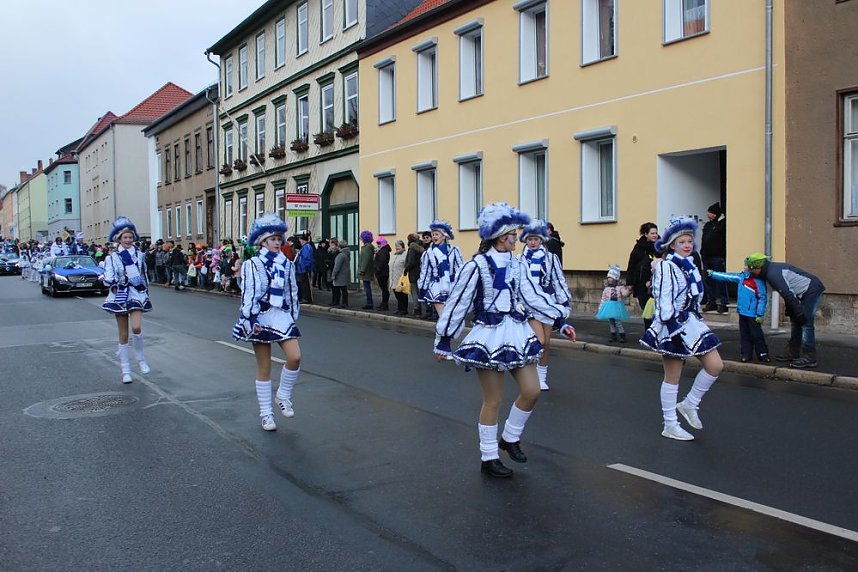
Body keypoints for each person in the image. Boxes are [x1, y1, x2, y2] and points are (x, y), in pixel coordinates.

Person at [434, 203, 576, 478]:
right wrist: (443, 340)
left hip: (517, 333)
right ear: (502, 236)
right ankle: (488, 457)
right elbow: (457, 304)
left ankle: (510, 438)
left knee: (532, 390)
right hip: (488, 336)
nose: (517, 238)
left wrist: (560, 321)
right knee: (493, 400)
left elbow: (532, 297)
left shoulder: (517, 264)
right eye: (514, 234)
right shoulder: (476, 266)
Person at [640, 218, 724, 442]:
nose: (687, 245)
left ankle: (689, 403)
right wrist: (670, 325)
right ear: (672, 246)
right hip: (673, 325)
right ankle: (670, 424)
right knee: (673, 376)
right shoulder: (667, 266)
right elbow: (663, 298)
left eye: (689, 241)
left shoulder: (690, 266)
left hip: (691, 322)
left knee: (715, 365)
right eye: (682, 242)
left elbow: (694, 297)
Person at [232, 213, 302, 432]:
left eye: (279, 239)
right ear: (262, 241)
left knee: (295, 356)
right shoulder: (252, 264)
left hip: (280, 315)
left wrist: (292, 314)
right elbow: (248, 293)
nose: (277, 242)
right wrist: (250, 317)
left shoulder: (287, 265)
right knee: (264, 367)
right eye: (273, 239)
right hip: (260, 315)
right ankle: (266, 415)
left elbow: (292, 292)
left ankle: (283, 395)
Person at [518, 219, 572, 390]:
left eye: (536, 239)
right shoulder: (519, 259)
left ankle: (541, 377)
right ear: (526, 240)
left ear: (541, 240)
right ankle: (529, 374)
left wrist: (564, 304)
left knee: (547, 342)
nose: (533, 242)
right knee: (539, 340)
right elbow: (514, 283)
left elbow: (559, 281)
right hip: (528, 304)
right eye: (530, 239)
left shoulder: (550, 259)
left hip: (547, 303)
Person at [749, 254, 825, 369]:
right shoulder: (771, 269)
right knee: (795, 322)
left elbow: (787, 293)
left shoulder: (772, 274)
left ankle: (810, 357)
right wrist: (792, 310)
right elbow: (787, 293)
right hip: (802, 291)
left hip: (811, 289)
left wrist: (799, 312)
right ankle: (794, 352)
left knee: (806, 322)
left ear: (757, 268)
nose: (751, 272)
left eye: (751, 269)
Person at [101, 216, 153, 384]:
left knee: (136, 327)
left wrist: (145, 291)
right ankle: (126, 370)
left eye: (130, 237)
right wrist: (109, 280)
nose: (128, 240)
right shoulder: (112, 258)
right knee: (123, 334)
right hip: (120, 294)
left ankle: (141, 358)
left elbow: (144, 275)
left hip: (136, 293)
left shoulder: (139, 255)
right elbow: (109, 277)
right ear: (119, 239)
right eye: (125, 237)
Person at [709, 256, 770, 363]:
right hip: (742, 312)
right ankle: (746, 354)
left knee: (756, 335)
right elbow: (727, 276)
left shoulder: (758, 281)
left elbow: (762, 298)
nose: (744, 267)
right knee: (744, 335)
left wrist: (760, 314)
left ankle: (763, 354)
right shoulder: (742, 277)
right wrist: (714, 274)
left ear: (752, 267)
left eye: (746, 265)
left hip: (753, 314)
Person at [418, 220, 463, 320]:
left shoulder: (454, 251)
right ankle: (442, 334)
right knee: (443, 318)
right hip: (437, 286)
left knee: (452, 318)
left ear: (444, 236)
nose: (434, 237)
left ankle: (448, 333)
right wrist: (423, 287)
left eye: (437, 234)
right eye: (433, 234)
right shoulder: (429, 253)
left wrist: (462, 285)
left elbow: (460, 269)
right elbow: (425, 271)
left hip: (452, 286)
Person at [626, 222, 659, 329]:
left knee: (657, 309)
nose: (655, 235)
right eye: (652, 233)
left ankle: (657, 333)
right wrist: (630, 283)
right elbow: (631, 265)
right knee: (646, 309)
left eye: (656, 233)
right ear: (645, 234)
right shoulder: (639, 248)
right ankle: (648, 332)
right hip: (641, 284)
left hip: (657, 283)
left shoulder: (660, 246)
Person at [701, 203, 728, 313]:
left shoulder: (723, 224)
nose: (708, 214)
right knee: (708, 281)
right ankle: (711, 302)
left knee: (720, 280)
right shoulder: (708, 225)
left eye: (710, 212)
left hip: (717, 257)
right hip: (706, 257)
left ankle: (723, 302)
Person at [596, 265, 632, 343]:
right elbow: (603, 299)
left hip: (617, 307)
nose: (609, 279)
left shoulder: (620, 287)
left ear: (615, 279)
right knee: (611, 322)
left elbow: (624, 294)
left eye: (611, 277)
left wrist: (628, 290)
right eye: (608, 277)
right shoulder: (606, 289)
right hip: (608, 307)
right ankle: (613, 336)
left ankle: (622, 336)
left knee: (618, 322)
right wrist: (600, 308)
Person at [403, 233, 424, 317]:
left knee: (414, 291)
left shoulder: (412, 248)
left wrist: (406, 269)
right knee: (419, 292)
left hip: (413, 272)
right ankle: (422, 309)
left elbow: (410, 262)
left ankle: (416, 309)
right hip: (421, 271)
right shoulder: (422, 247)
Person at [388, 239, 409, 315]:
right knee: (397, 294)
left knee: (402, 295)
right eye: (396, 246)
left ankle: (404, 309)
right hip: (393, 277)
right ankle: (399, 308)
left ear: (402, 246)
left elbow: (406, 265)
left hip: (401, 278)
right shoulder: (395, 254)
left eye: (399, 246)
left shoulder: (405, 254)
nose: (397, 247)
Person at [357, 230, 376, 310]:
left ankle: (369, 303)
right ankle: (369, 302)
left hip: (366, 271)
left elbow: (366, 259)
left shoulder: (367, 247)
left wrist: (362, 270)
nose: (360, 239)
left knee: (367, 287)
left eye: (361, 237)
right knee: (366, 286)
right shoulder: (368, 247)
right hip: (366, 270)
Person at [331, 238, 351, 308]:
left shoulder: (340, 255)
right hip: (345, 274)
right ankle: (345, 302)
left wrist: (333, 275)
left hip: (340, 275)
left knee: (339, 289)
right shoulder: (347, 253)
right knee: (344, 289)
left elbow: (337, 267)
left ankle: (342, 303)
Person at [295, 233, 314, 304]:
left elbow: (306, 258)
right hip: (302, 268)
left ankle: (306, 298)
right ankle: (305, 298)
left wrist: (306, 267)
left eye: (300, 240)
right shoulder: (305, 247)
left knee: (305, 284)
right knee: (304, 284)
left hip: (304, 269)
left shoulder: (306, 247)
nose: (300, 241)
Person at [374, 237, 391, 310]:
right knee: (384, 289)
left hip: (382, 272)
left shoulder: (383, 251)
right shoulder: (383, 250)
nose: (378, 245)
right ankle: (383, 303)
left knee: (384, 289)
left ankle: (384, 305)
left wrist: (377, 270)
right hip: (383, 272)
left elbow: (381, 262)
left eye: (379, 243)